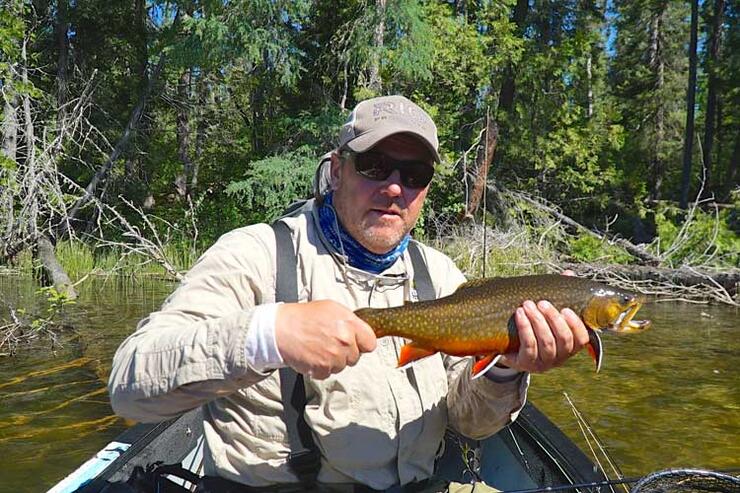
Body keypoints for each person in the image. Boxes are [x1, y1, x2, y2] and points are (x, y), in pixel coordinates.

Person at [108, 95, 590, 492]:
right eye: (376, 166)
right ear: (337, 170)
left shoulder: (441, 275)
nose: (395, 188)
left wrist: (508, 367)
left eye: (414, 175)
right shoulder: (254, 255)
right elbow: (130, 387)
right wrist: (267, 334)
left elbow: (468, 424)